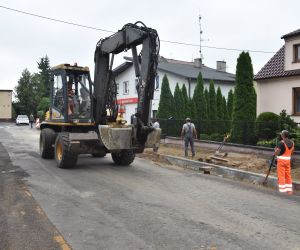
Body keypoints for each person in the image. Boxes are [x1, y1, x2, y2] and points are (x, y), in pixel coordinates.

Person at [274, 130, 294, 195]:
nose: (280, 135)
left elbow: (277, 152)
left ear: (283, 135)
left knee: (281, 175)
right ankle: (289, 190)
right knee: (288, 175)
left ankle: (282, 190)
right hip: (288, 161)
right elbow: (292, 152)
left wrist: (275, 152)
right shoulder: (292, 143)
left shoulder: (281, 143)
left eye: (281, 134)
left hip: (281, 161)